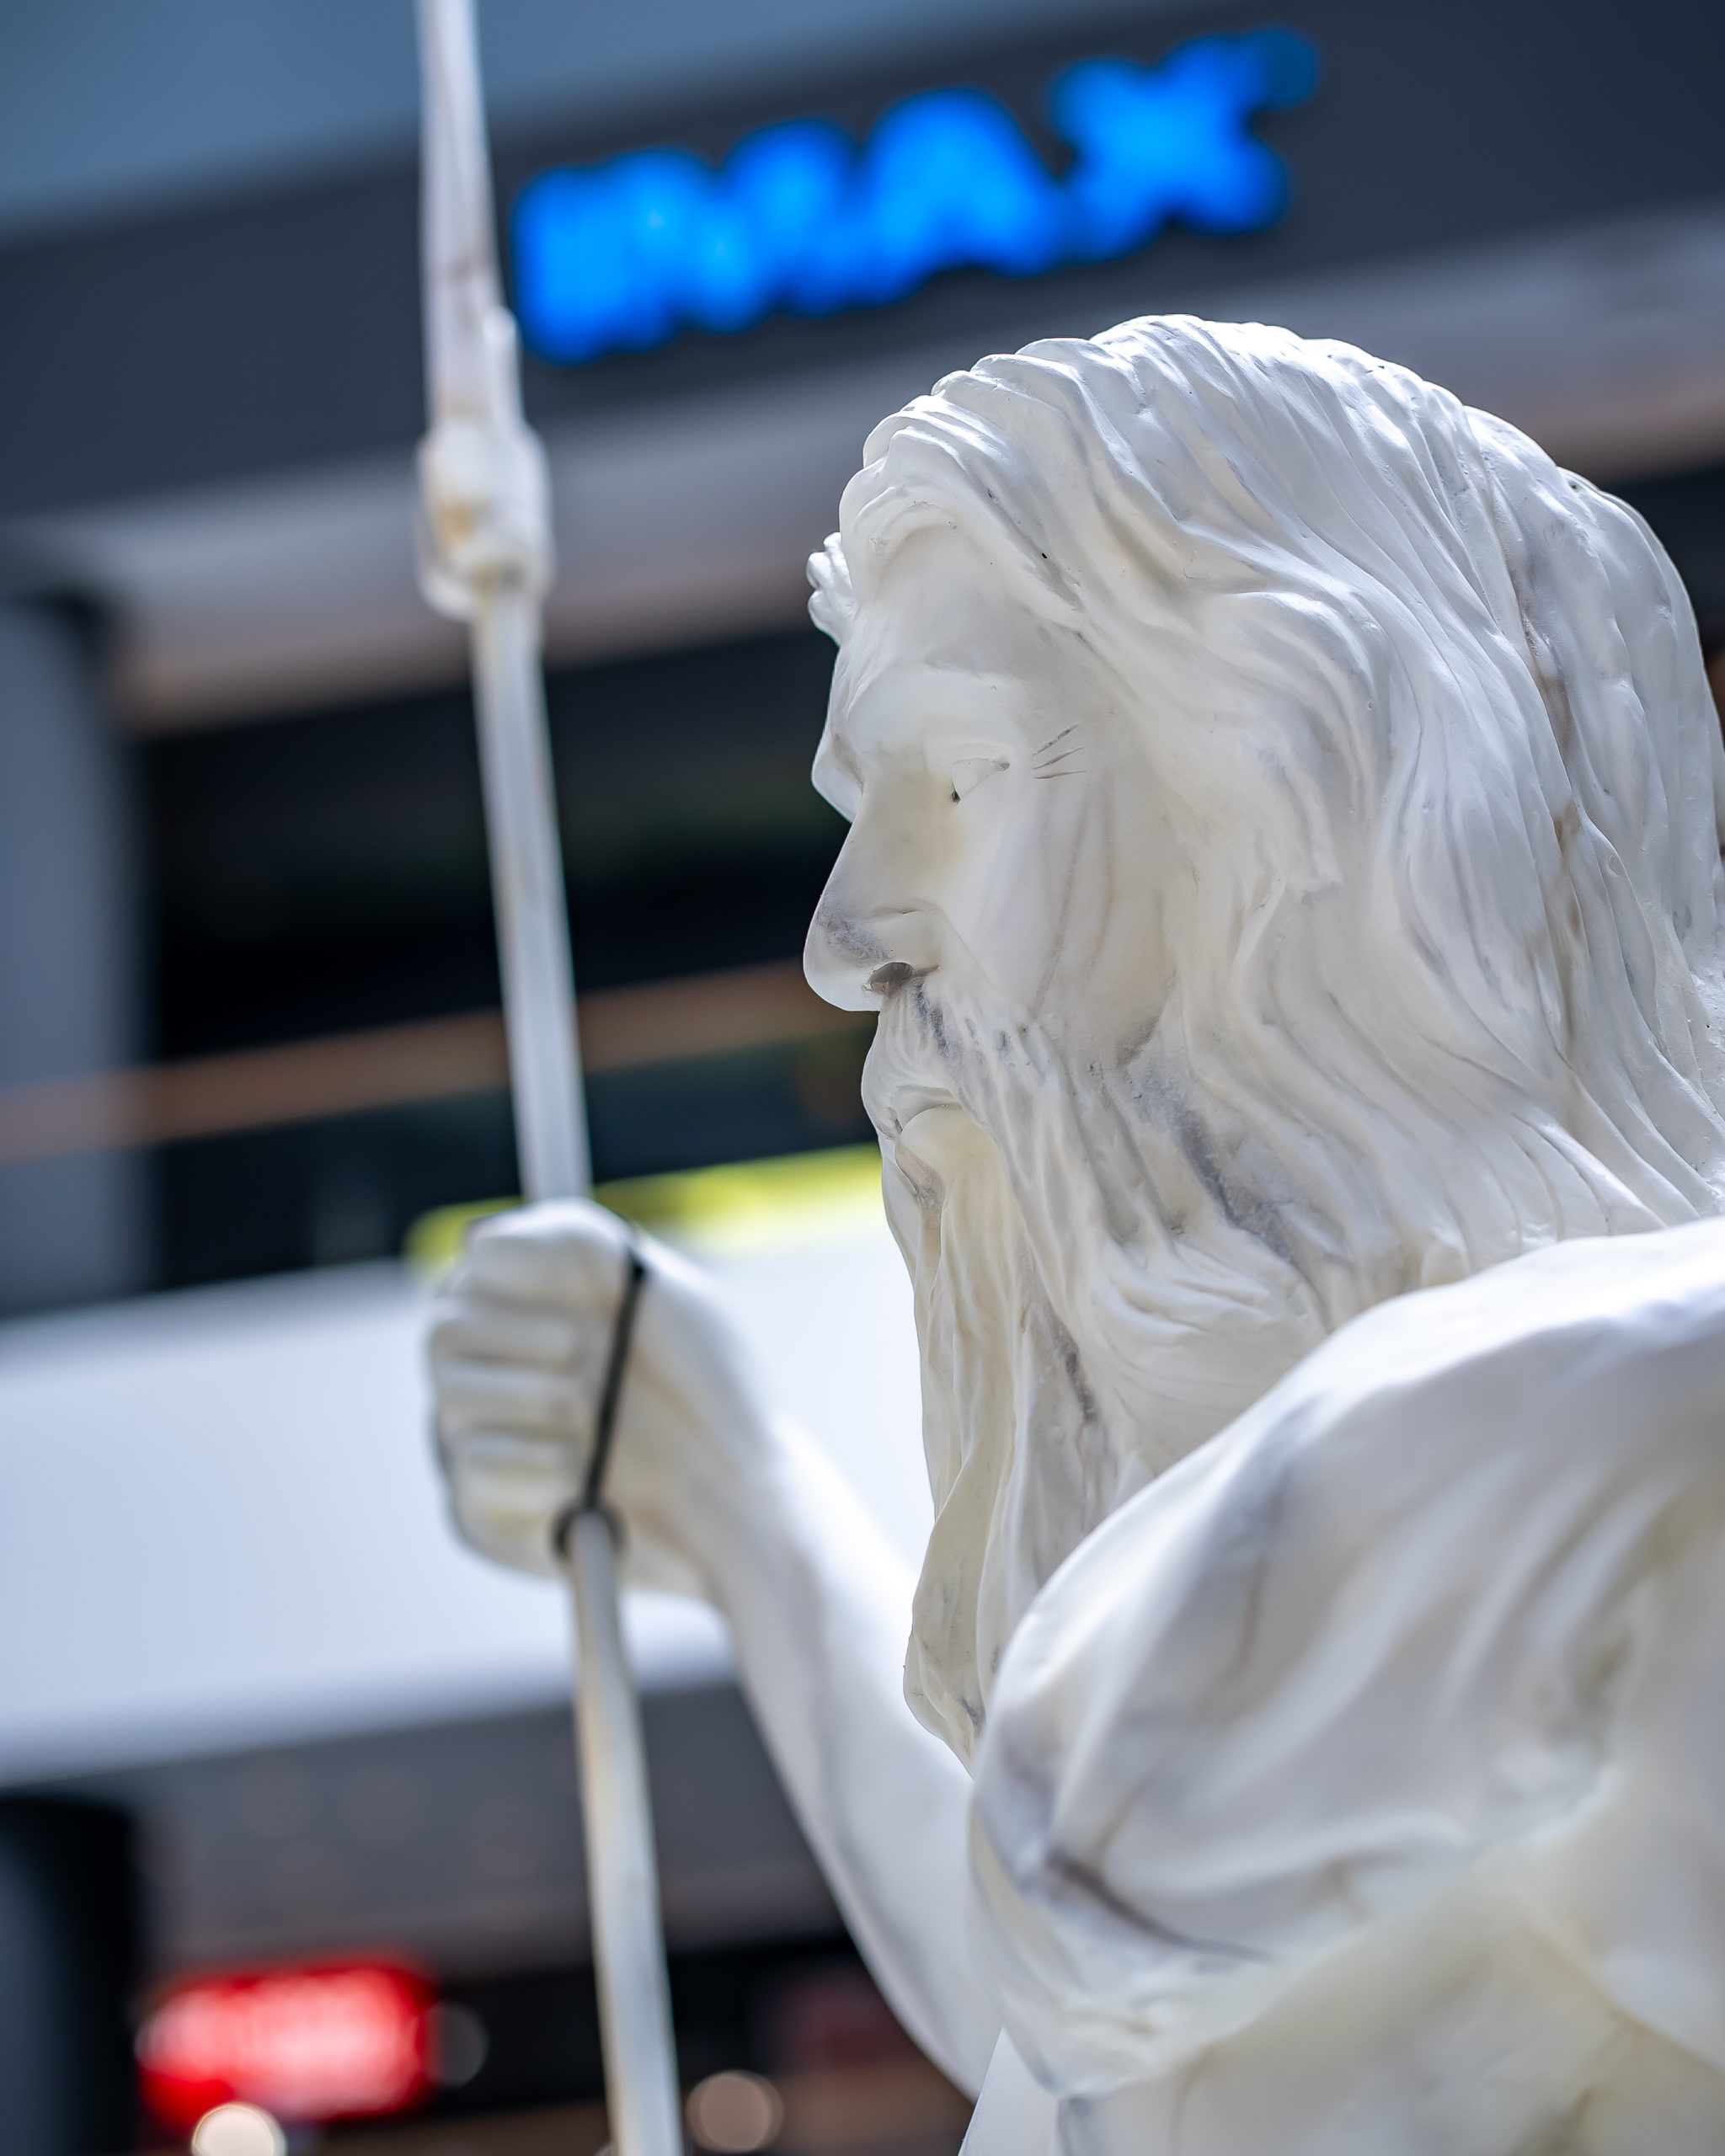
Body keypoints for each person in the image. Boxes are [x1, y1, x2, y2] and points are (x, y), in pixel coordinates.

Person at [430, 318, 1725, 2153]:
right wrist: (731, 1493)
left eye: (959, 778)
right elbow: (1066, 2013)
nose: (843, 938)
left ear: (1337, 822)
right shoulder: (1285, 1764)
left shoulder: (1649, 1507)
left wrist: (1488, 1450)